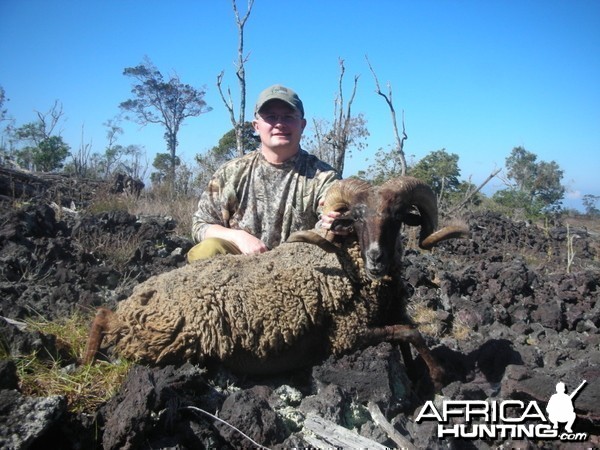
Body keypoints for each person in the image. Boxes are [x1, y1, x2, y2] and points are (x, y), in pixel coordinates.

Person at [188, 84, 341, 262]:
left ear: (302, 125)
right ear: (256, 126)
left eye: (288, 117)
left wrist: (332, 222)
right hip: (239, 266)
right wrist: (238, 237)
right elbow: (200, 225)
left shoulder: (323, 176)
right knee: (206, 250)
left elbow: (331, 217)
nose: (279, 124)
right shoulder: (230, 173)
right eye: (271, 117)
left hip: (299, 266)